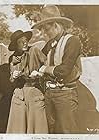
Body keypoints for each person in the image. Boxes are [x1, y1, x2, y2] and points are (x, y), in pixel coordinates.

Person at [32, 5, 81, 133]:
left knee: (67, 131)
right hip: (49, 94)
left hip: (65, 94)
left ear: (57, 25)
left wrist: (44, 69)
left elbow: (63, 71)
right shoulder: (50, 43)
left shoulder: (72, 41)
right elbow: (39, 62)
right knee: (51, 131)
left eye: (47, 29)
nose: (45, 33)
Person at [6, 30, 48, 133]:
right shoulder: (12, 58)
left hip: (35, 92)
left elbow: (47, 65)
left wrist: (40, 73)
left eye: (26, 40)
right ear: (16, 45)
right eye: (21, 41)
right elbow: (11, 79)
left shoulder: (34, 50)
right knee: (17, 128)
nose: (25, 43)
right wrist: (13, 76)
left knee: (37, 128)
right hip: (19, 95)